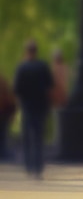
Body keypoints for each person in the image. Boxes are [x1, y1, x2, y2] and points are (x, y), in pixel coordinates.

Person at [13, 39, 54, 178]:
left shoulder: (22, 68)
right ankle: (38, 168)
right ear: (36, 51)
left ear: (27, 51)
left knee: (27, 137)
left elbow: (16, 89)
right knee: (38, 137)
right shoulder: (42, 66)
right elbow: (50, 85)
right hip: (41, 106)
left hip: (27, 106)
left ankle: (29, 166)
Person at [0, 74, 17, 161]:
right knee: (3, 134)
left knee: (3, 133)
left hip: (4, 111)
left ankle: (3, 152)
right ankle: (3, 152)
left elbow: (10, 98)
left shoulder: (3, 82)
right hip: (4, 111)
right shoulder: (4, 81)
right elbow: (11, 98)